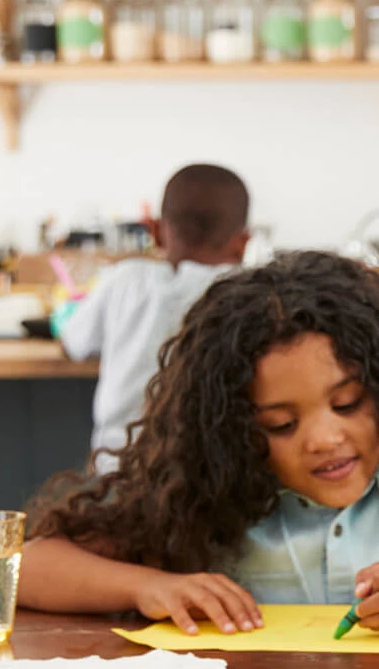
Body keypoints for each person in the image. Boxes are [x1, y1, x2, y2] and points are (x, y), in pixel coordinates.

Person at [22, 251, 379, 637]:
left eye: (347, 405)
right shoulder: (203, 490)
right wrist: (148, 585)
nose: (324, 439)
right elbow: (26, 566)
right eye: (279, 424)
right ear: (232, 429)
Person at [57, 164, 251, 472]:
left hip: (117, 470)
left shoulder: (124, 279)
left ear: (156, 231)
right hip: (211, 477)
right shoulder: (248, 293)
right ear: (243, 242)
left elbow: (73, 341)